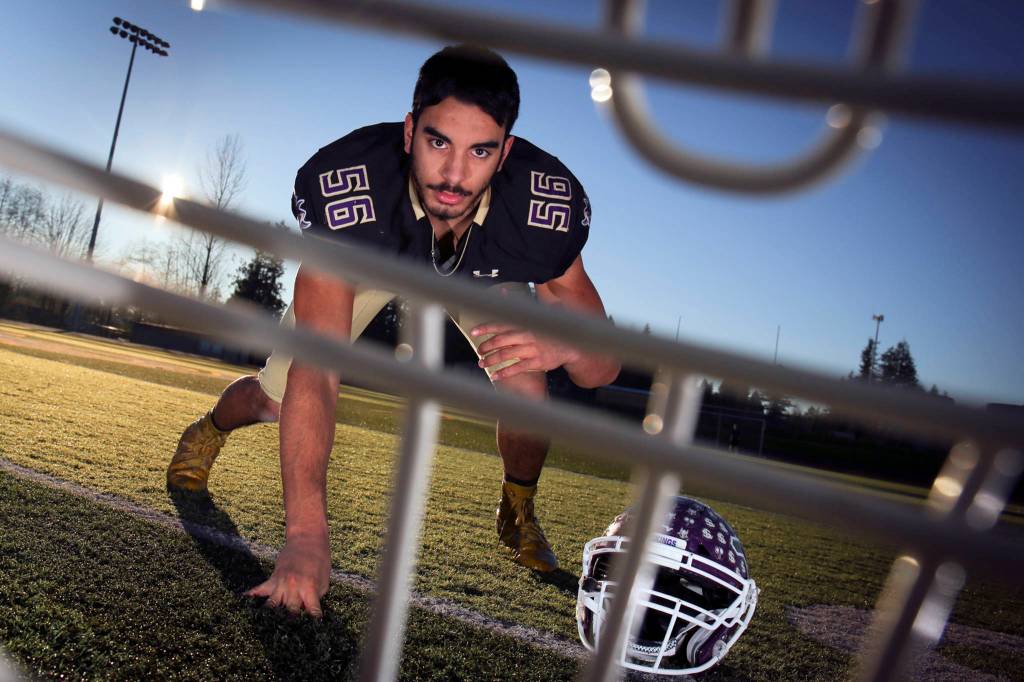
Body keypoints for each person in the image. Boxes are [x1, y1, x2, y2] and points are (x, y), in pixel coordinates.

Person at [167, 45, 620, 617]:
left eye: (480, 151)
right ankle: (208, 430)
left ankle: (519, 504)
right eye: (438, 142)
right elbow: (320, 366)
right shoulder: (348, 191)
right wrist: (306, 535)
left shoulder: (538, 209)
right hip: (375, 258)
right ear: (409, 132)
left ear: (506, 153)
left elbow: (602, 368)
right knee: (277, 398)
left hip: (482, 272)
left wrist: (567, 343)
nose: (454, 175)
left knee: (530, 387)